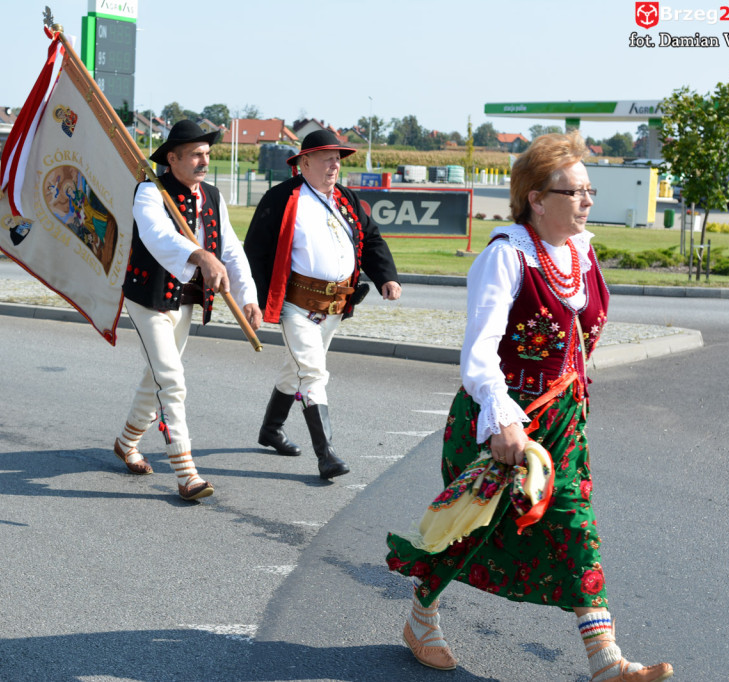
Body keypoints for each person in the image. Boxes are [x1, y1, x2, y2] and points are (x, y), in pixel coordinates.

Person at [385, 131, 673, 681]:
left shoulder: (582, 252)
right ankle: (422, 619)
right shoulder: (505, 256)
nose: (587, 200)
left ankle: (605, 660)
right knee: (473, 528)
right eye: (575, 191)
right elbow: (477, 354)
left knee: (572, 523)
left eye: (589, 190)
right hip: (503, 418)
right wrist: (503, 420)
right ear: (537, 198)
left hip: (561, 423)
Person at [113, 120, 262, 501]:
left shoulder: (212, 195)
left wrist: (248, 298)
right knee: (172, 380)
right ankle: (186, 472)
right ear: (173, 158)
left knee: (158, 377)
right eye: (196, 154)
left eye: (207, 154)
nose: (204, 161)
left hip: (184, 299)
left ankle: (126, 443)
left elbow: (230, 248)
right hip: (148, 297)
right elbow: (157, 235)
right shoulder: (149, 192)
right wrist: (199, 255)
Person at [243, 130, 400, 479]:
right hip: (295, 305)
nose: (334, 165)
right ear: (304, 162)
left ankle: (271, 429)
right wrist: (250, 300)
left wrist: (387, 276)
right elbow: (254, 253)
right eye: (326, 158)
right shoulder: (281, 199)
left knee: (296, 368)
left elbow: (371, 239)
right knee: (312, 372)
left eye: (338, 158)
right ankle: (326, 454)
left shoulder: (346, 198)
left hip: (334, 308)